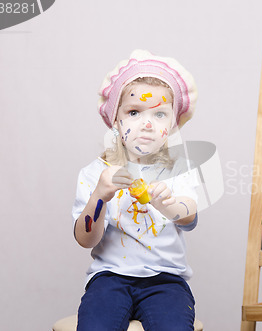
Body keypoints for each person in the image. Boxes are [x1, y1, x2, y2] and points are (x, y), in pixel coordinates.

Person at [72, 50, 199, 331]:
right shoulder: (95, 173)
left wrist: (168, 204)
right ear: (116, 121)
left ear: (172, 125)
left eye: (160, 114)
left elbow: (190, 216)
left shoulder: (179, 168)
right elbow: (86, 239)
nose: (148, 124)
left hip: (166, 281)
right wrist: (99, 196)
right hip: (109, 278)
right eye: (133, 112)